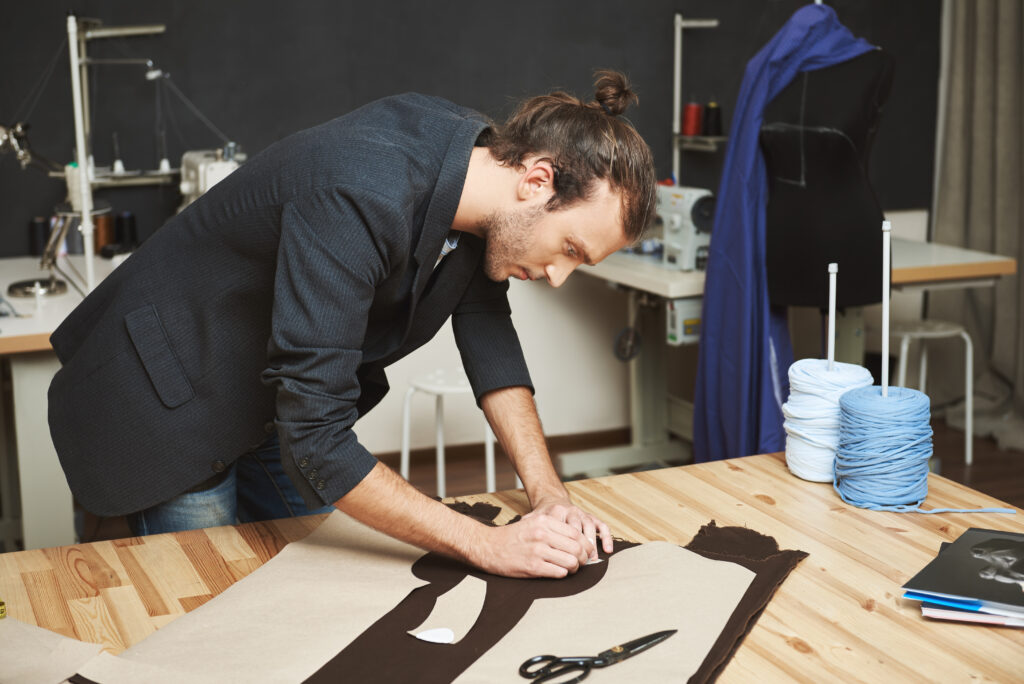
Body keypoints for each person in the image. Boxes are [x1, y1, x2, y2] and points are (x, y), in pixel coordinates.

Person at [47, 70, 656, 579]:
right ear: (537, 181)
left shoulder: (479, 178)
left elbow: (490, 341)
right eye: (571, 249)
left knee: (321, 577)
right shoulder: (361, 188)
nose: (559, 277)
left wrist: (550, 495)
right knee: (213, 605)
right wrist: (487, 543)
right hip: (169, 394)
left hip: (269, 397)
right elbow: (318, 438)